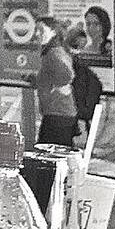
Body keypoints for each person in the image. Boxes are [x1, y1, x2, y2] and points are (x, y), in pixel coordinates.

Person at [35, 14, 78, 147]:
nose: (37, 34)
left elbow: (67, 75)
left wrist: (56, 86)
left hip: (57, 115)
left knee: (47, 153)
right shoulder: (57, 51)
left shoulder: (53, 54)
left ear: (53, 32)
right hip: (60, 114)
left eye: (41, 30)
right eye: (36, 30)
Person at [66, 28, 103, 146]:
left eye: (82, 48)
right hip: (70, 114)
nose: (78, 52)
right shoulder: (66, 62)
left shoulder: (83, 71)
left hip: (77, 113)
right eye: (76, 47)